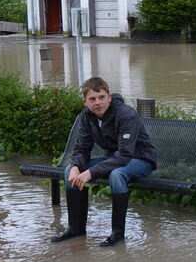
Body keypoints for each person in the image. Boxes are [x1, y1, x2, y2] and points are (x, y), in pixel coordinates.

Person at [51, 76, 157, 247]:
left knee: (117, 175)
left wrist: (90, 172)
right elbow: (82, 149)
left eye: (101, 97)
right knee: (69, 170)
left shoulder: (125, 115)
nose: (97, 102)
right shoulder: (86, 117)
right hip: (114, 158)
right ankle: (75, 229)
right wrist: (76, 166)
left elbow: (124, 156)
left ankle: (117, 234)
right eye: (92, 99)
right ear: (85, 102)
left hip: (141, 159)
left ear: (109, 97)